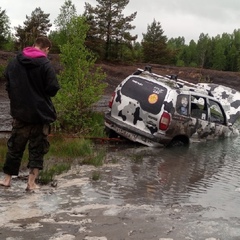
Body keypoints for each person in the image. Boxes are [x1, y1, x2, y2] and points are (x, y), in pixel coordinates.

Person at [0, 37, 60, 191]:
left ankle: (7, 179)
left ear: (33, 45)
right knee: (37, 148)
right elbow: (53, 88)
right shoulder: (45, 64)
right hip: (40, 114)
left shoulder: (14, 62)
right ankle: (31, 183)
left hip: (20, 113)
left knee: (15, 146)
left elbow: (8, 82)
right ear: (46, 49)